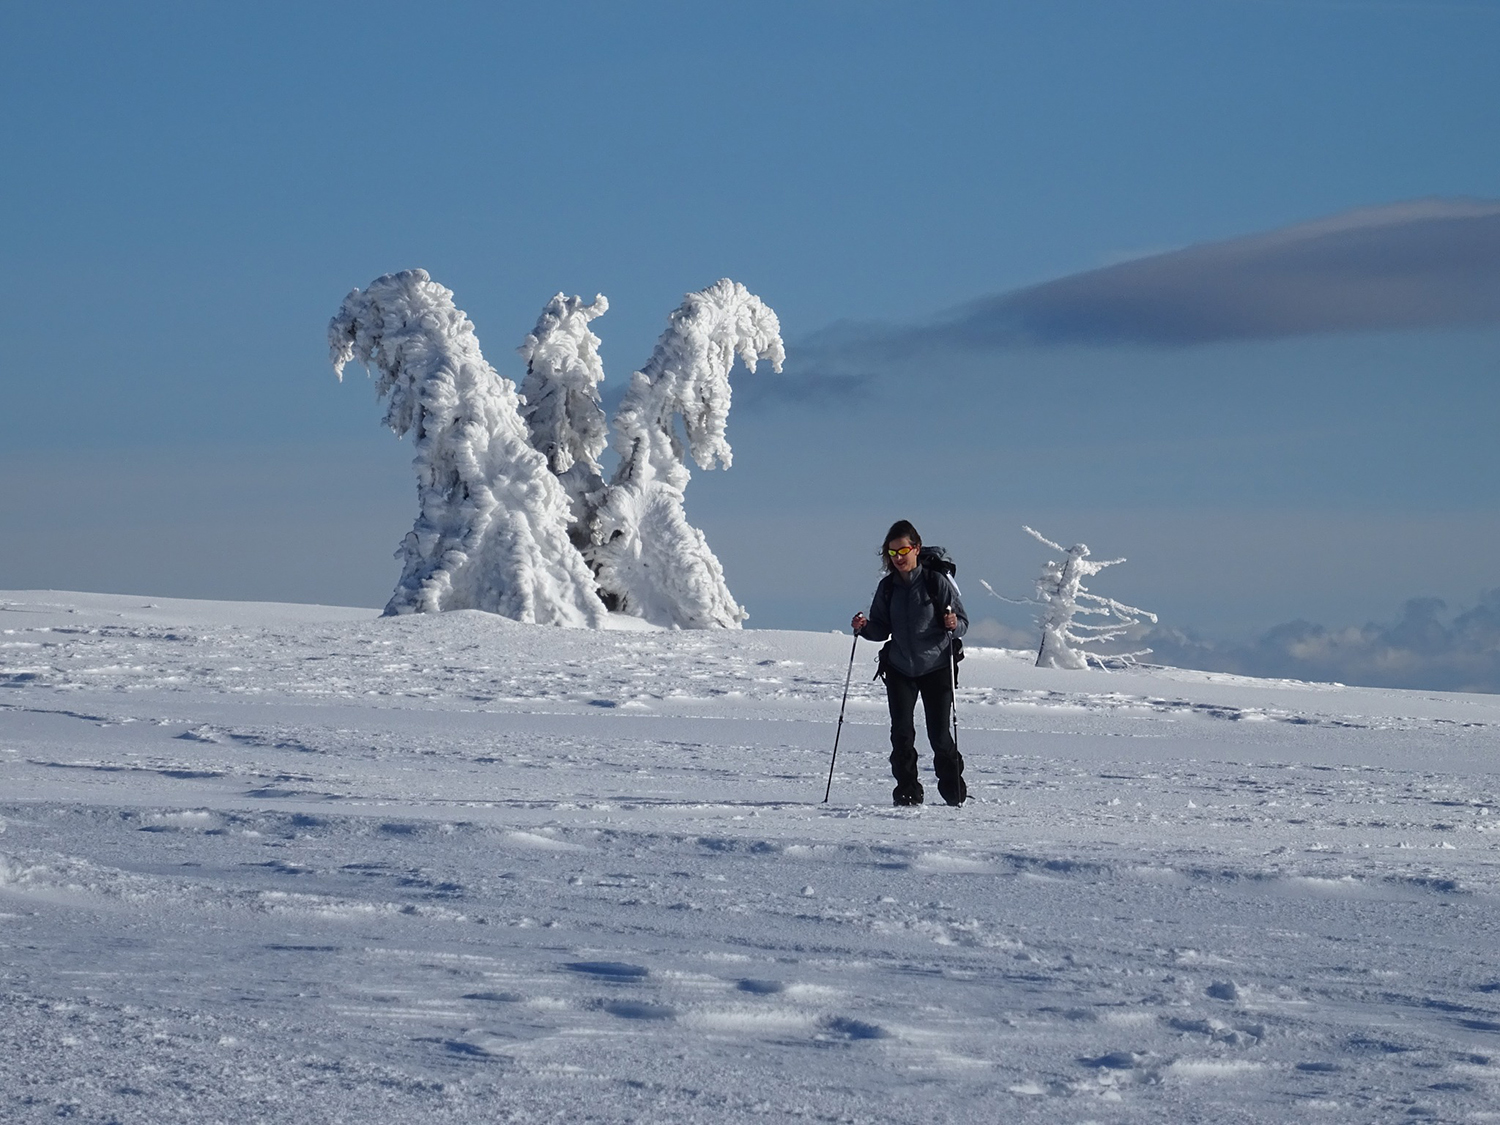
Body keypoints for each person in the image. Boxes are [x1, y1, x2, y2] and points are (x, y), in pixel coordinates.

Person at [851, 520, 969, 807]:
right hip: (900, 667)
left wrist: (953, 623)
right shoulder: (887, 587)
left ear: (916, 548)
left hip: (937, 666)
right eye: (892, 553)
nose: (898, 557)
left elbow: (962, 623)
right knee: (901, 733)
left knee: (939, 734)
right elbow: (881, 628)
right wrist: (864, 627)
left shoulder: (935, 582)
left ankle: (953, 789)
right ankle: (907, 791)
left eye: (903, 550)